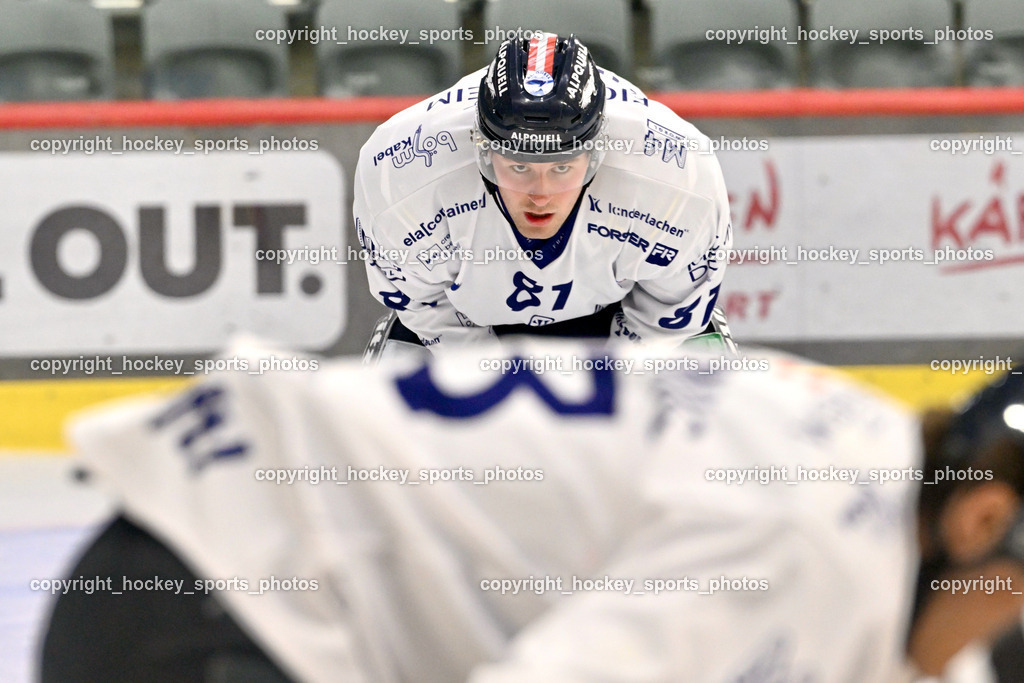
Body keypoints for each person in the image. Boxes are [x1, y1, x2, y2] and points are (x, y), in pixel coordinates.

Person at [41, 339, 923, 682]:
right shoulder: (804, 540)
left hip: (201, 558)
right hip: (229, 605)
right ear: (981, 519)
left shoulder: (867, 439)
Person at [353, 33, 733, 354]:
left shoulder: (678, 176)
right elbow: (426, 308)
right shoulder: (400, 173)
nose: (541, 194)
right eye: (519, 167)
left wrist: (608, 387)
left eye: (561, 168)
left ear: (596, 153)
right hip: (466, 320)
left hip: (622, 311)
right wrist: (490, 381)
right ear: (483, 151)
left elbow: (666, 319)